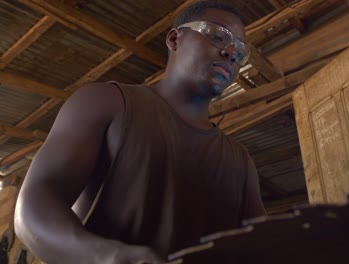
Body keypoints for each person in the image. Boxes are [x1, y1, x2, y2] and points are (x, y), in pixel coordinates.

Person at [14, 1, 266, 263]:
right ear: (174, 39)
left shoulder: (240, 160)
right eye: (217, 36)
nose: (231, 53)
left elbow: (263, 245)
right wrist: (107, 256)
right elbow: (34, 204)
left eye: (239, 50)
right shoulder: (105, 101)